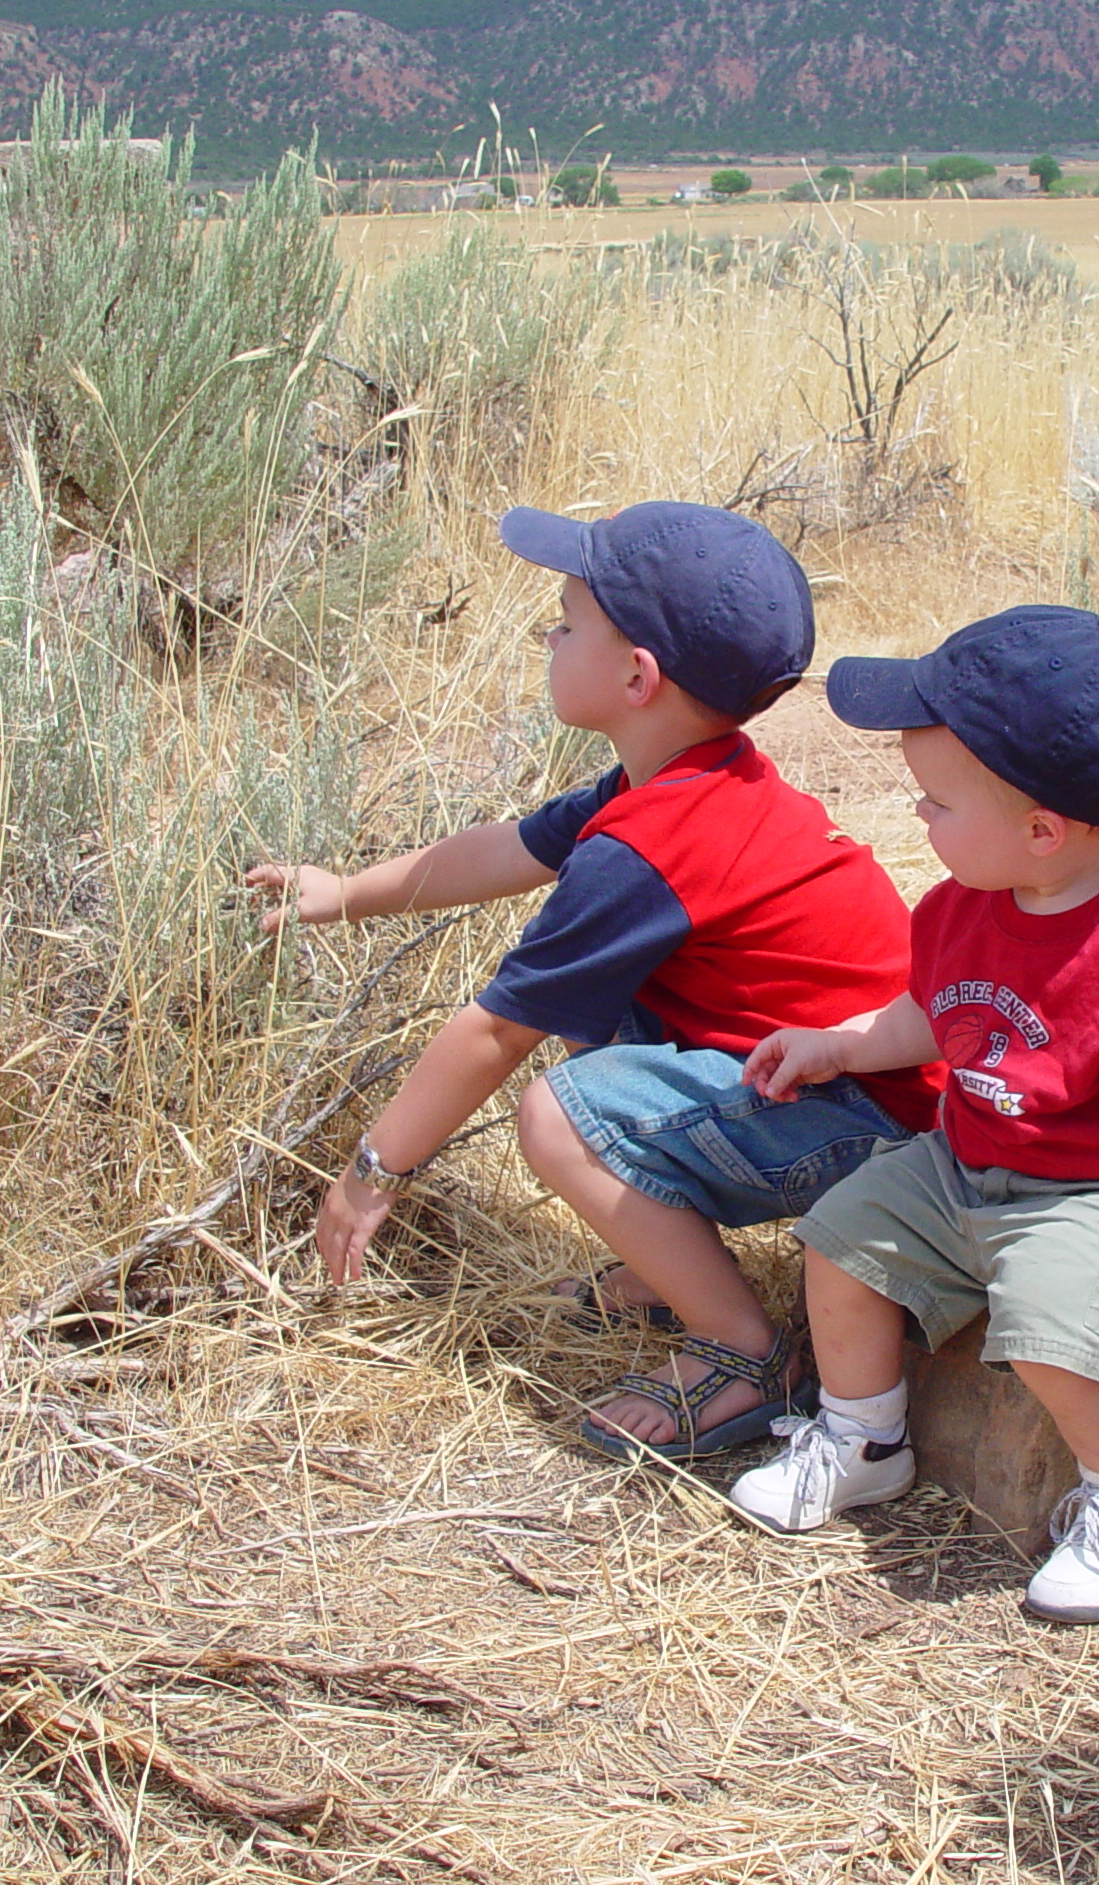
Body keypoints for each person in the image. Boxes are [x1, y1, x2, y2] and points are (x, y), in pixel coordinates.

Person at [245, 502, 942, 1458]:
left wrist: (374, 1174)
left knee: (560, 1114)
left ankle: (741, 1347)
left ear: (637, 677)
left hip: (875, 1117)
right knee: (610, 998)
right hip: (844, 1079)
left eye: (568, 621)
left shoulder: (652, 846)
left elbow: (498, 1029)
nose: (549, 632)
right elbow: (514, 847)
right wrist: (347, 893)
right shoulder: (684, 776)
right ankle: (669, 1265)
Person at [726, 605, 1099, 1624]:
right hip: (966, 1164)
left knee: (1050, 1326)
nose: (917, 820)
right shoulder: (961, 901)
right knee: (844, 1237)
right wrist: (842, 1046)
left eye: (935, 802)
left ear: (1041, 830)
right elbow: (935, 1013)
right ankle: (866, 1437)